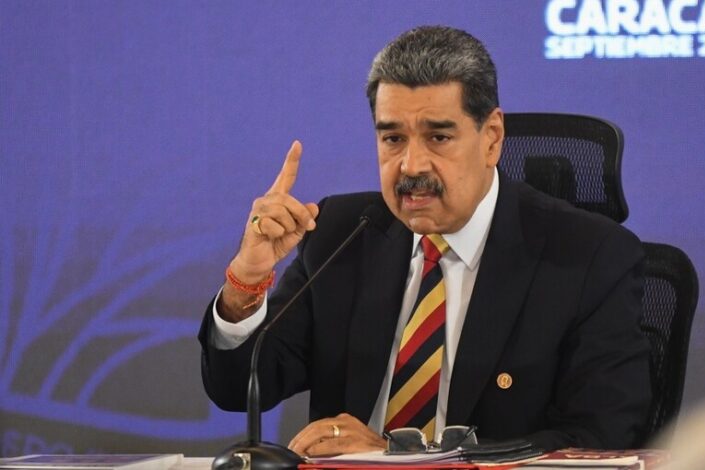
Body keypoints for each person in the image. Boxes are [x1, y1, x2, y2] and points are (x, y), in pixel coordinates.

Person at [198, 25, 651, 456]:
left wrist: (403, 457)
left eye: (438, 137)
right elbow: (239, 389)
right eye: (393, 138)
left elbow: (599, 439)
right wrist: (246, 280)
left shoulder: (589, 256)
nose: (411, 165)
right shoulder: (342, 232)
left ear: (492, 139)